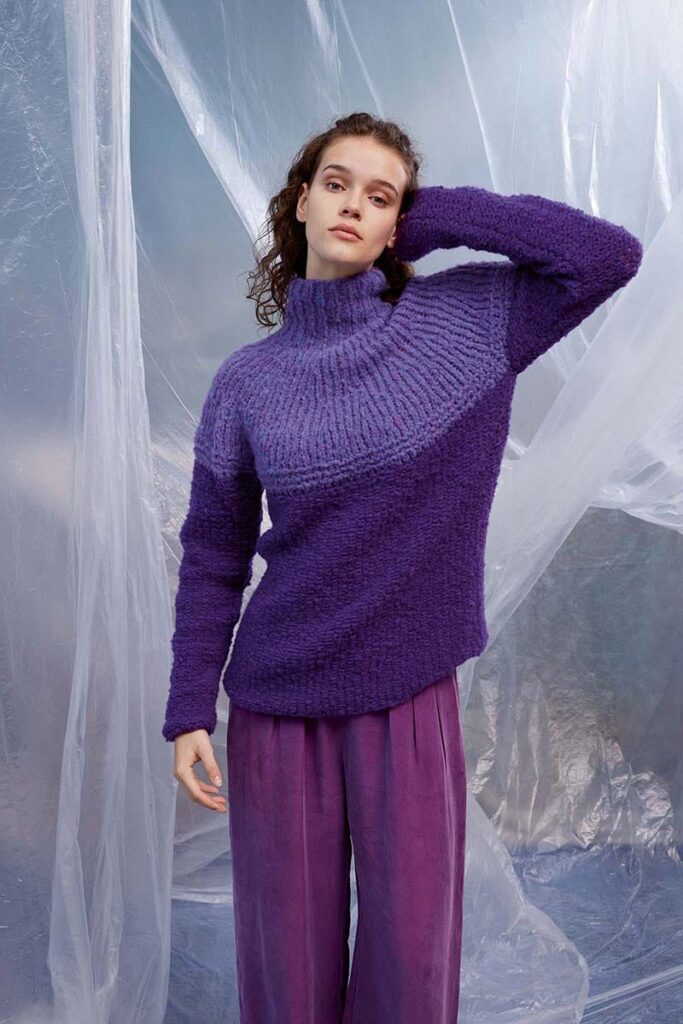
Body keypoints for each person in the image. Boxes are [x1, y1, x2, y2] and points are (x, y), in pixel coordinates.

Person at [161, 112, 643, 1023]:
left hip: (407, 694)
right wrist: (190, 706)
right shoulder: (246, 383)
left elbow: (606, 256)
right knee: (286, 968)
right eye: (336, 184)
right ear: (299, 202)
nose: (353, 205)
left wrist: (436, 213)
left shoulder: (466, 322)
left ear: (400, 224)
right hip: (277, 704)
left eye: (380, 197)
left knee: (411, 961)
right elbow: (213, 553)